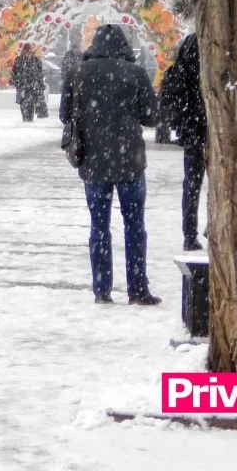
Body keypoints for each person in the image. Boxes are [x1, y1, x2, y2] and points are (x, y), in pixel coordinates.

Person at [60, 24, 161, 305]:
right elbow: (152, 116)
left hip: (94, 162)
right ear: (124, 45)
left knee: (99, 226)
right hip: (130, 161)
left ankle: (102, 290)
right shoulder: (135, 73)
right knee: (134, 226)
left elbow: (64, 114)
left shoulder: (78, 73)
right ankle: (137, 289)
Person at [160, 32, 206, 250]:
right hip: (213, 129)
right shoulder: (212, 64)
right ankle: (210, 228)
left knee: (192, 185)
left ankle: (189, 234)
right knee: (217, 184)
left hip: (192, 132)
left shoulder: (180, 66)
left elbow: (167, 100)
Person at [10, 44, 47, 122]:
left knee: (30, 105)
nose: (28, 52)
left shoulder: (35, 60)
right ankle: (26, 119)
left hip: (31, 86)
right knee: (24, 105)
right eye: (26, 50)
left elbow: (39, 74)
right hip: (24, 87)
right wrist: (16, 82)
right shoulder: (20, 60)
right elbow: (14, 73)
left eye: (29, 50)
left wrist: (40, 84)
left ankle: (29, 120)